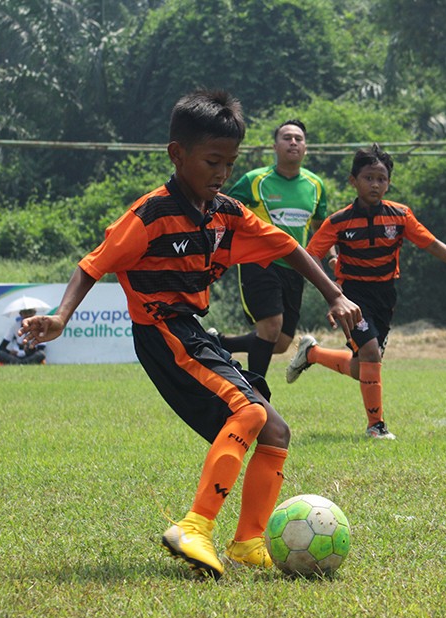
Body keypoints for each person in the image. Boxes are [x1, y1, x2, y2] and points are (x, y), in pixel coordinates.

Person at [20, 89, 361, 580]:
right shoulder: (149, 216)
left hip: (191, 332)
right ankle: (194, 526)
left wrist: (333, 294)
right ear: (177, 154)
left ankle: (248, 543)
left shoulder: (225, 213)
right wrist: (61, 316)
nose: (221, 172)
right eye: (212, 161)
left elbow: (287, 245)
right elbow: (93, 264)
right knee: (249, 411)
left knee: (275, 431)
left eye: (230, 163)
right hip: (163, 331)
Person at [285, 143, 446, 440]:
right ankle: (376, 426)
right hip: (352, 297)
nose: (375, 184)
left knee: (364, 367)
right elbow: (309, 256)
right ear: (353, 181)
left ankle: (313, 353)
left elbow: (432, 243)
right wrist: (333, 295)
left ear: (389, 183)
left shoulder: (400, 215)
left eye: (381, 179)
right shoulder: (339, 221)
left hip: (385, 296)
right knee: (371, 353)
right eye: (368, 178)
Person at [215, 119, 329, 378]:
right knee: (270, 326)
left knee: (280, 342)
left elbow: (320, 229)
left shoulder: (315, 185)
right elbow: (223, 212)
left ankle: (219, 343)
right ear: (274, 146)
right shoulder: (254, 180)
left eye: (298, 139)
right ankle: (255, 392)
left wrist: (330, 256)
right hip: (259, 262)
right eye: (287, 138)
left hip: (296, 267)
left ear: (306, 147)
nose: (293, 142)